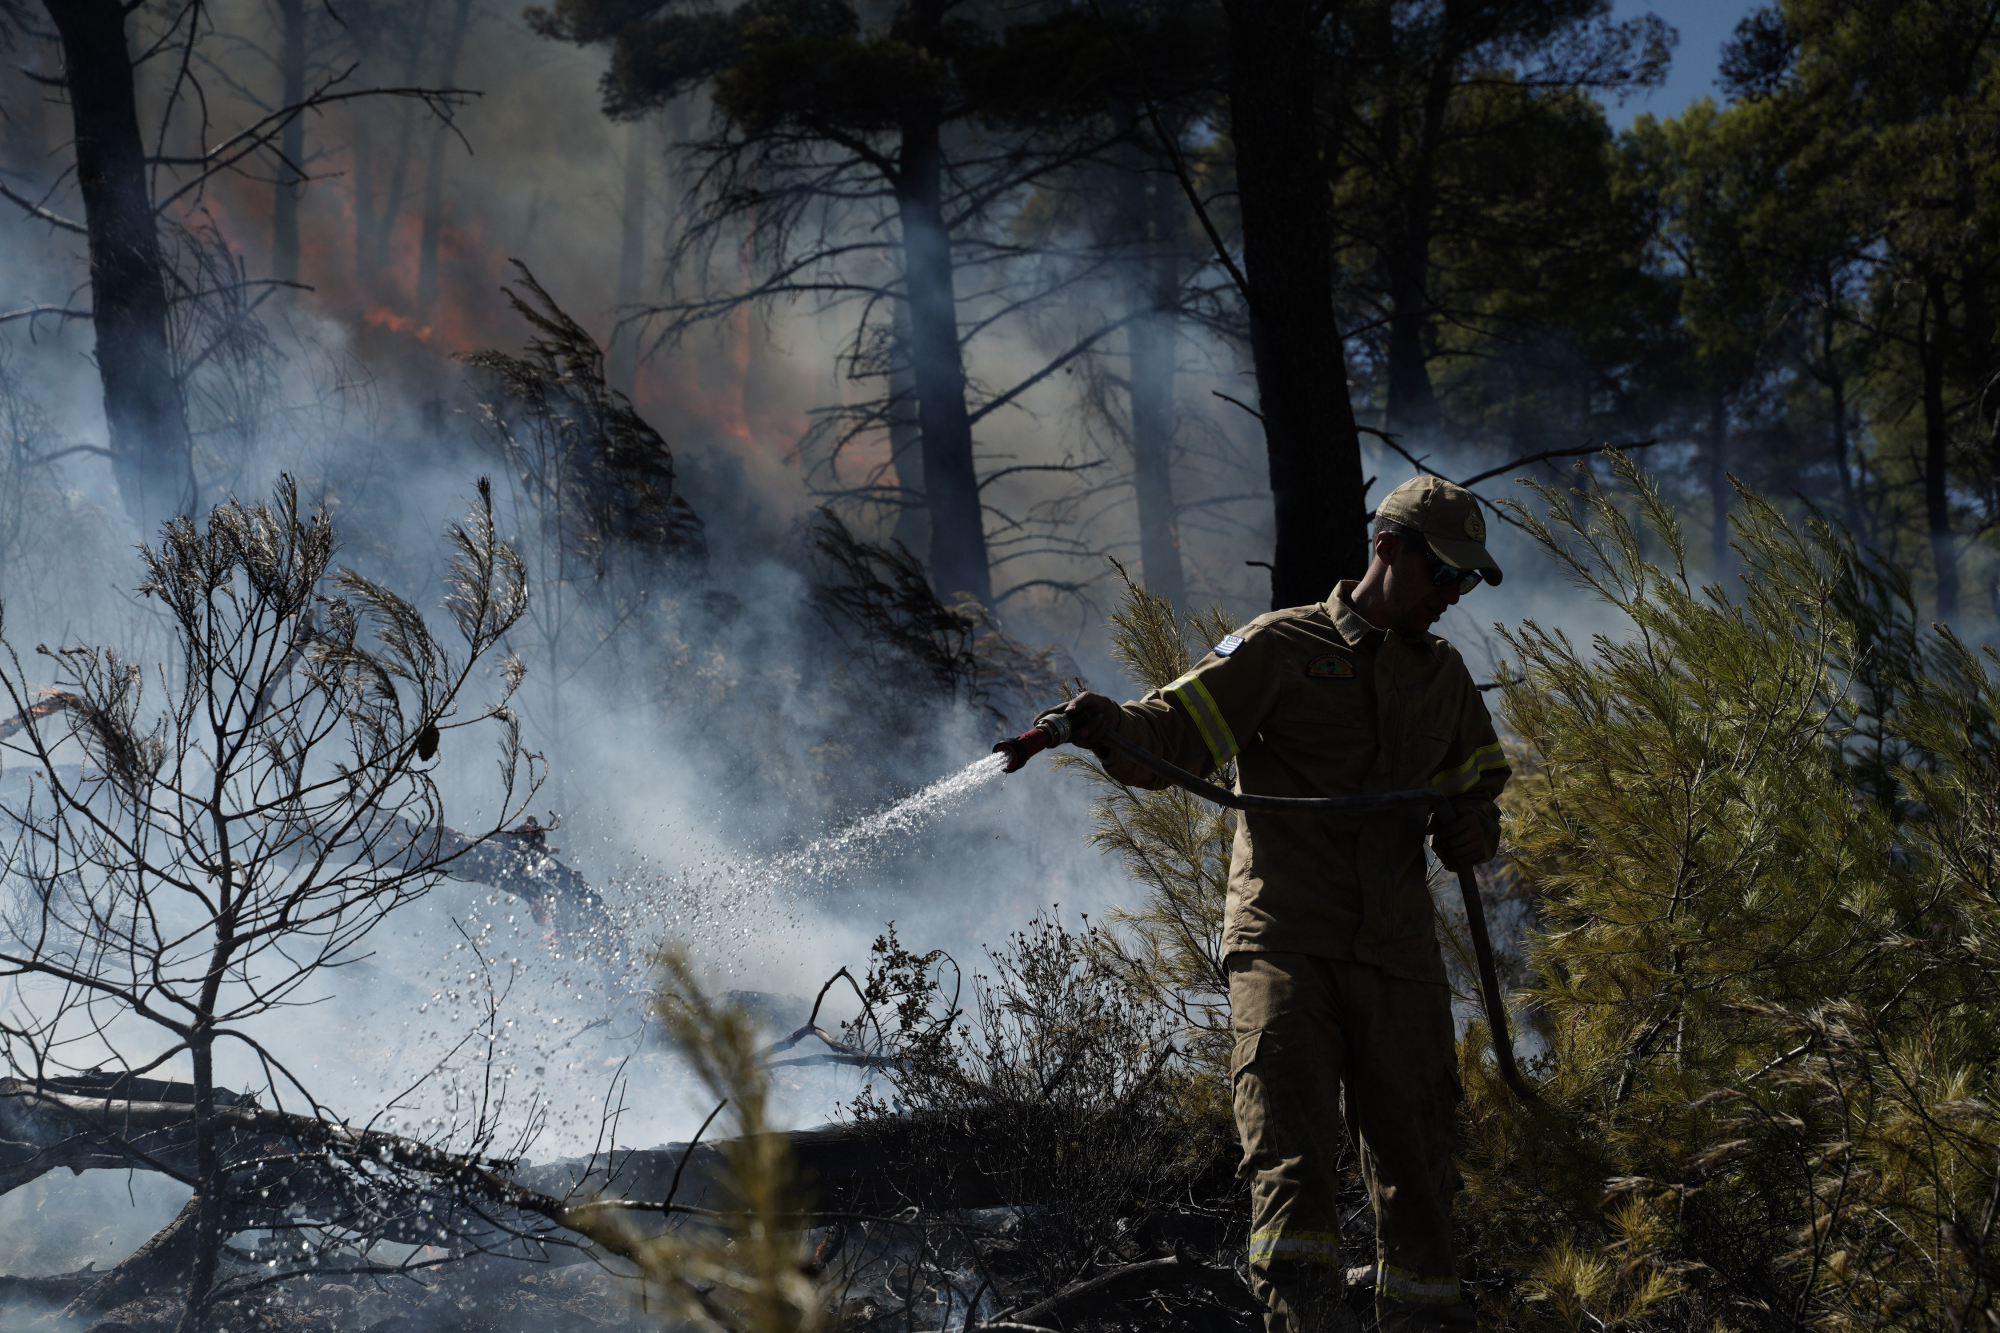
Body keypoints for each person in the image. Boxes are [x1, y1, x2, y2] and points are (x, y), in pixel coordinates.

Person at [1051, 476, 1511, 1333]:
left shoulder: (1444, 678)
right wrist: (1113, 726)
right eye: (1442, 572)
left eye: (1464, 581)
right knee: (1293, 1184)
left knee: (1424, 1188)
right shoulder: (1281, 646)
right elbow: (1176, 732)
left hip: (1399, 962)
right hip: (1286, 950)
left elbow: (1478, 790)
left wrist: (1475, 828)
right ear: (1387, 550)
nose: (1451, 596)